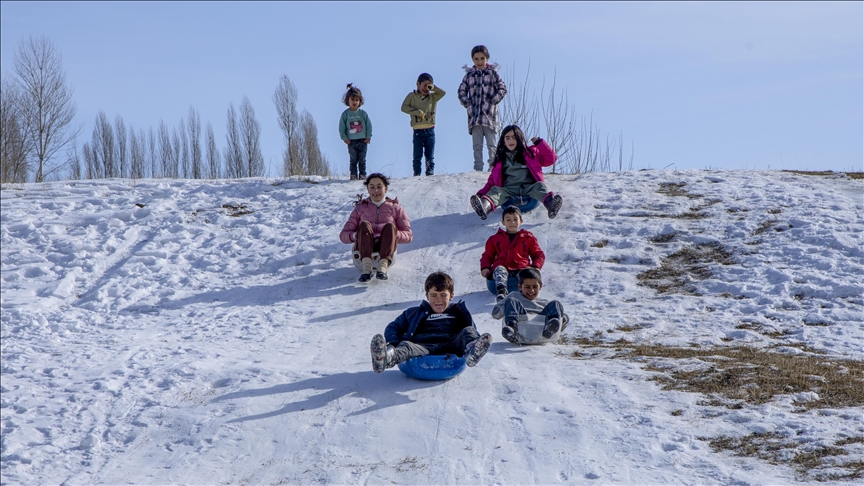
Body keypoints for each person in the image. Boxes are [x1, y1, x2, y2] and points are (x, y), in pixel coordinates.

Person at [370, 271, 493, 373]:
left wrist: (472, 340)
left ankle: (473, 351)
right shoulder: (413, 312)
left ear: (451, 296)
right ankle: (385, 358)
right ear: (427, 296)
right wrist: (394, 343)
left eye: (443, 295)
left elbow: (470, 329)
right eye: (433, 295)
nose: (438, 300)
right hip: (422, 346)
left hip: (451, 345)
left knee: (468, 331)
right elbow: (394, 326)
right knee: (406, 346)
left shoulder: (459, 312)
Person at [470, 125, 563, 220]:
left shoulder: (530, 153)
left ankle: (551, 205)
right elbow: (491, 182)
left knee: (539, 186)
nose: (511, 141)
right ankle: (484, 207)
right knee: (496, 191)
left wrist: (540, 144)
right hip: (508, 189)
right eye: (507, 138)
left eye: (514, 137)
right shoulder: (500, 161)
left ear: (520, 139)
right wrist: (480, 195)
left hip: (528, 187)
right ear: (503, 141)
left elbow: (552, 159)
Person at [339, 173, 412, 282]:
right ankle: (367, 269)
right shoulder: (360, 209)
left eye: (379, 187)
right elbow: (343, 235)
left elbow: (408, 235)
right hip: (363, 252)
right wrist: (355, 235)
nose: (375, 191)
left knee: (390, 227)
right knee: (364, 225)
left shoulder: (396, 209)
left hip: (387, 252)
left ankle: (382, 267)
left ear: (386, 188)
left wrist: (394, 234)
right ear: (367, 190)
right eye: (372, 187)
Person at [458, 45, 507, 172]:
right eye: (476, 59)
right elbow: (461, 91)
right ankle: (478, 168)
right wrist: (468, 104)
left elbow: (502, 89)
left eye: (482, 58)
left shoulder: (493, 73)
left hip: (489, 115)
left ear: (487, 58)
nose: (479, 62)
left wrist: (493, 101)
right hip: (474, 116)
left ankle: (493, 167)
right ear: (473, 60)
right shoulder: (469, 75)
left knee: (491, 143)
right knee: (477, 144)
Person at [480, 206, 545, 301]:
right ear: (503, 222)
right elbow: (487, 255)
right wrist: (485, 267)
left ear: (521, 221)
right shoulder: (494, 239)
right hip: (502, 266)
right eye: (508, 220)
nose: (512, 222)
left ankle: (525, 293)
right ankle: (501, 291)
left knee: (526, 273)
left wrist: (535, 267)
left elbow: (538, 254)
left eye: (515, 219)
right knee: (499, 269)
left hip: (521, 266)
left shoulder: (527, 237)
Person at [491, 268, 569, 343]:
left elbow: (561, 321)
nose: (531, 290)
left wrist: (563, 320)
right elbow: (495, 314)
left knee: (556, 303)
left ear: (540, 286)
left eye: (535, 287)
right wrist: (504, 305)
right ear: (520, 287)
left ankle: (549, 329)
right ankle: (512, 330)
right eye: (527, 287)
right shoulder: (514, 296)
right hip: (521, 328)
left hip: (542, 332)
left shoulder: (545, 303)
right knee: (512, 301)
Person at [401, 73, 446, 177]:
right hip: (417, 130)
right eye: (424, 85)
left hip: (430, 130)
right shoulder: (411, 96)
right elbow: (403, 108)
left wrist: (433, 88)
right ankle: (416, 173)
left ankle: (430, 172)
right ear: (418, 83)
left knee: (429, 155)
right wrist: (416, 112)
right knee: (417, 154)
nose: (426, 88)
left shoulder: (432, 97)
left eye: (428, 86)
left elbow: (443, 93)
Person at [338, 84, 372, 180]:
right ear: (347, 100)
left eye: (357, 100)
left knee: (362, 159)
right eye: (352, 100)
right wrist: (344, 138)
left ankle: (362, 176)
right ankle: (353, 176)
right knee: (353, 160)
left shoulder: (363, 114)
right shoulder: (345, 114)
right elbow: (341, 127)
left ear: (360, 101)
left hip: (363, 140)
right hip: (351, 141)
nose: (354, 102)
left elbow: (369, 125)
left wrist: (368, 136)